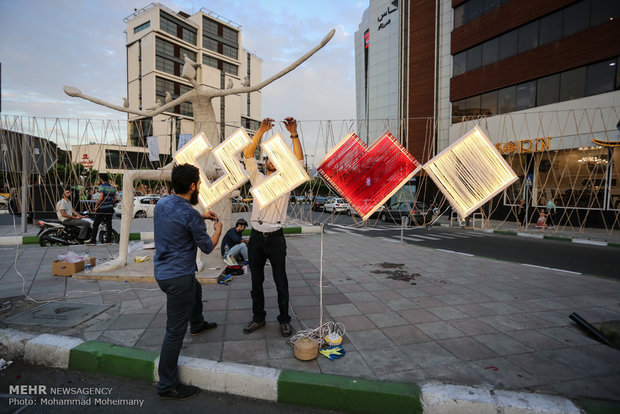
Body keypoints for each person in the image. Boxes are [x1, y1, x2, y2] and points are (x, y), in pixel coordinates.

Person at [153, 163, 223, 400]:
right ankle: (167, 384)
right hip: (178, 278)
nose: (199, 188)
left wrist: (199, 215)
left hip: (163, 272)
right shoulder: (190, 216)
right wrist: (218, 230)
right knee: (174, 331)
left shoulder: (161, 204)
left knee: (197, 288)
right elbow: (207, 246)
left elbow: (179, 217)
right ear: (193, 186)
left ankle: (198, 323)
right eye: (199, 184)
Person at [242, 117, 303, 337]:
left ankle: (284, 320)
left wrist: (293, 134)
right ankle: (258, 318)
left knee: (281, 281)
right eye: (268, 158)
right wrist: (260, 131)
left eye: (274, 158)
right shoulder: (257, 178)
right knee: (255, 282)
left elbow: (299, 161)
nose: (270, 160)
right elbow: (247, 154)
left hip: (276, 237)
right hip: (257, 237)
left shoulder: (285, 182)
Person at [87, 173, 116, 245]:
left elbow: (100, 198)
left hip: (102, 208)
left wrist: (96, 206)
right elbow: (115, 199)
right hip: (110, 208)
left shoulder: (102, 187)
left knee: (96, 224)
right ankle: (108, 241)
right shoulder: (113, 188)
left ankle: (93, 241)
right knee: (109, 224)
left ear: (101, 179)